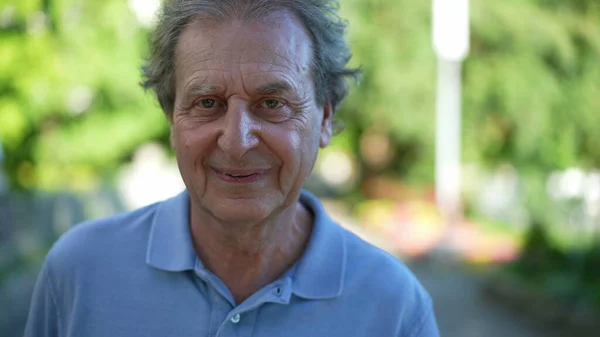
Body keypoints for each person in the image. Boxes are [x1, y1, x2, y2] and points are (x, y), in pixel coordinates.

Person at [24, 0, 439, 336]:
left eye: (272, 103)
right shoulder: (80, 273)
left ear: (325, 118)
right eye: (207, 103)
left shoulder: (394, 308)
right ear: (172, 120)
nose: (237, 142)